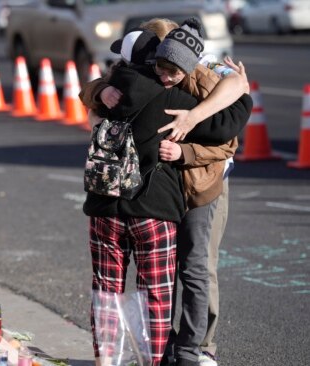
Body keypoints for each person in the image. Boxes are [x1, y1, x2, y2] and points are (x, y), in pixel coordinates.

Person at [81, 22, 252, 366]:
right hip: (155, 210)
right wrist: (241, 89)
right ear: (154, 56)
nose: (165, 74)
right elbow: (231, 122)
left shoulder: (116, 90)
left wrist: (99, 90)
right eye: (161, 65)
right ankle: (158, 357)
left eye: (172, 69)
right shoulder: (172, 98)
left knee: (112, 287)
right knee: (156, 294)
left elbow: (87, 96)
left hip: (119, 206)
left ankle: (118, 359)